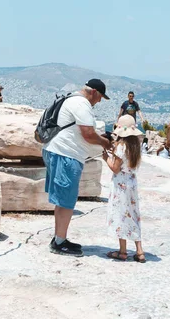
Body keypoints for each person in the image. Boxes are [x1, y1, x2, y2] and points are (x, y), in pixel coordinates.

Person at [42, 78, 112, 256]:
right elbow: (88, 134)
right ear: (94, 92)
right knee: (67, 201)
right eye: (100, 97)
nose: (99, 101)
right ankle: (59, 243)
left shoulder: (72, 99)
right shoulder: (81, 103)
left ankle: (59, 238)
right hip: (66, 155)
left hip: (59, 151)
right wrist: (104, 142)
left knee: (63, 200)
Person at [103, 114, 146, 263]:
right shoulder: (136, 145)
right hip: (132, 182)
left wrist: (106, 158)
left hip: (121, 183)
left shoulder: (121, 146)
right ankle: (139, 251)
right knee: (133, 214)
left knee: (121, 214)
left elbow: (115, 168)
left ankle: (122, 251)